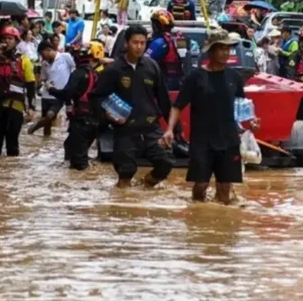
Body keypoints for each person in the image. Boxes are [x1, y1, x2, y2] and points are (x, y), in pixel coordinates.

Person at [163, 30, 257, 204]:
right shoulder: (196, 77)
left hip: (229, 140)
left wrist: (252, 121)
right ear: (211, 51)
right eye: (220, 48)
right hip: (202, 140)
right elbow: (178, 106)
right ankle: (197, 215)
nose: (225, 52)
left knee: (224, 188)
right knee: (201, 184)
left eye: (228, 48)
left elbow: (242, 107)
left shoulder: (234, 77)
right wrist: (169, 130)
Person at [92, 25, 174, 188]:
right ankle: (125, 203)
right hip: (125, 130)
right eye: (135, 42)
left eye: (142, 43)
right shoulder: (114, 69)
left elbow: (164, 100)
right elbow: (96, 97)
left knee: (165, 162)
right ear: (126, 44)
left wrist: (173, 130)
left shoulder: (152, 67)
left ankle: (146, 186)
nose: (139, 47)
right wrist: (107, 114)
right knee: (125, 172)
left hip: (151, 127)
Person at [0, 27, 37, 156]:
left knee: (12, 142)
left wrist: (31, 107)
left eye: (10, 39)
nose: (7, 41)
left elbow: (31, 85)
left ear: (16, 41)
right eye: (4, 38)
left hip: (15, 106)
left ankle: (10, 171)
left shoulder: (23, 60)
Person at [28, 41, 76, 137]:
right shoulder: (44, 64)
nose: (42, 57)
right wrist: (44, 84)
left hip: (59, 94)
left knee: (50, 115)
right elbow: (43, 79)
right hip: (46, 95)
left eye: (43, 54)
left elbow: (75, 69)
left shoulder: (65, 57)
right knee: (47, 124)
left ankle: (34, 127)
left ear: (48, 50)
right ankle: (45, 143)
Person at [146, 10, 185, 91]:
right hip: (178, 81)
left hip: (162, 82)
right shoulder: (180, 39)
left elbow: (145, 62)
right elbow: (184, 57)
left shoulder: (158, 43)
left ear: (156, 25)